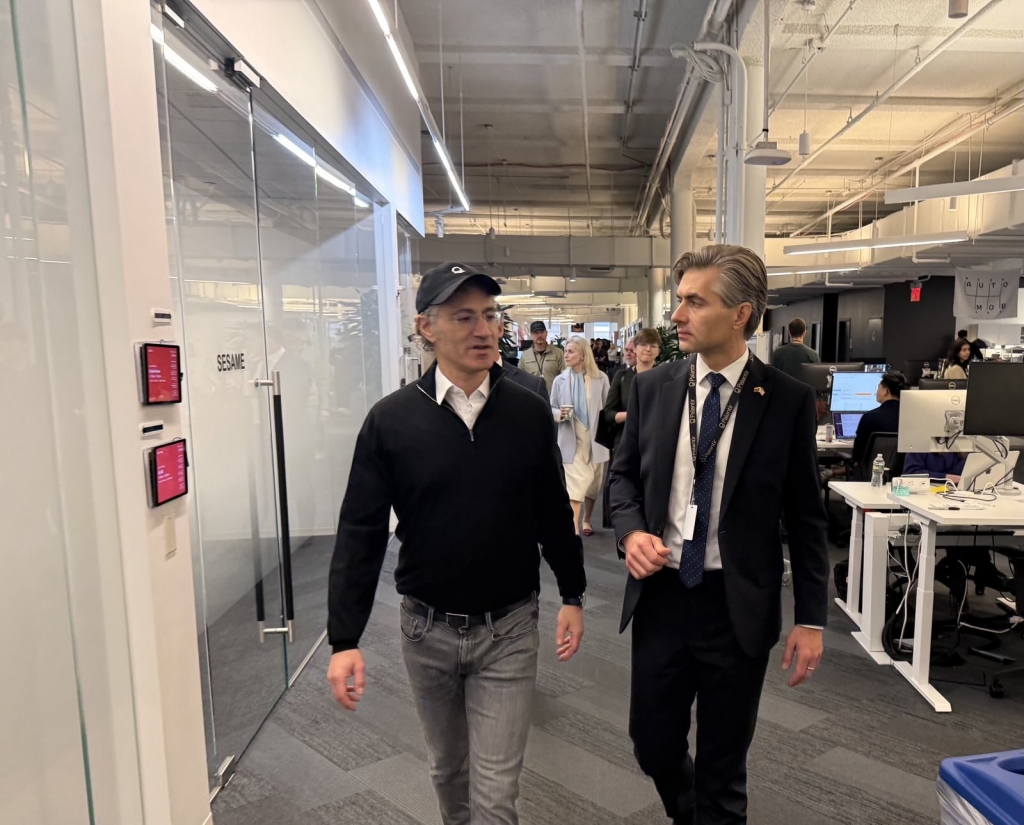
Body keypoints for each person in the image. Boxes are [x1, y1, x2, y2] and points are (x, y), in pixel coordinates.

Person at [326, 262, 586, 825]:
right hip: (427, 631)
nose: (484, 330)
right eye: (465, 317)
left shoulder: (528, 412)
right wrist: (344, 637)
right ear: (427, 327)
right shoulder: (391, 421)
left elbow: (551, 511)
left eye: (490, 316)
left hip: (509, 629)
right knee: (448, 772)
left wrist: (573, 593)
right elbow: (360, 531)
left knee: (495, 795)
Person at [609, 244, 829, 825]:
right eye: (679, 300)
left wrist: (811, 619)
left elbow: (807, 518)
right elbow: (623, 479)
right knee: (652, 744)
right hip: (661, 597)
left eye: (695, 302)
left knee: (724, 767)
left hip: (736, 606)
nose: (677, 315)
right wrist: (631, 533)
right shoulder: (653, 387)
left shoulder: (786, 401)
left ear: (741, 315)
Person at [550, 336, 610, 537]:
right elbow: (552, 406)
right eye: (565, 351)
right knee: (575, 487)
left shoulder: (600, 378)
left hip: (595, 440)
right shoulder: (560, 380)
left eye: (570, 351)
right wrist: (559, 414)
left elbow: (607, 408)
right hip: (571, 438)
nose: (566, 355)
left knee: (593, 485)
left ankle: (587, 520)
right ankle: (573, 528)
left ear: (583, 355)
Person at [604, 328, 660, 451]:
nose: (648, 349)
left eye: (653, 346)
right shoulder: (622, 376)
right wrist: (631, 415)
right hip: (625, 441)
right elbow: (608, 413)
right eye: (643, 345)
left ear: (658, 351)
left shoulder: (665, 377)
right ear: (635, 348)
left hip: (656, 443)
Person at [852, 371, 905, 466]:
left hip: (872, 470)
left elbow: (857, 454)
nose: (876, 392)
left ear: (885, 391)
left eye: (878, 388)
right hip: (902, 469)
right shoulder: (910, 417)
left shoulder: (869, 417)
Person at [518, 321, 565, 392]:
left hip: (552, 396)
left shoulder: (558, 353)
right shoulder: (525, 355)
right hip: (532, 396)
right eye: (536, 333)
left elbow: (564, 377)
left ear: (546, 333)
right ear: (531, 335)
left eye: (541, 332)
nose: (539, 335)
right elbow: (520, 378)